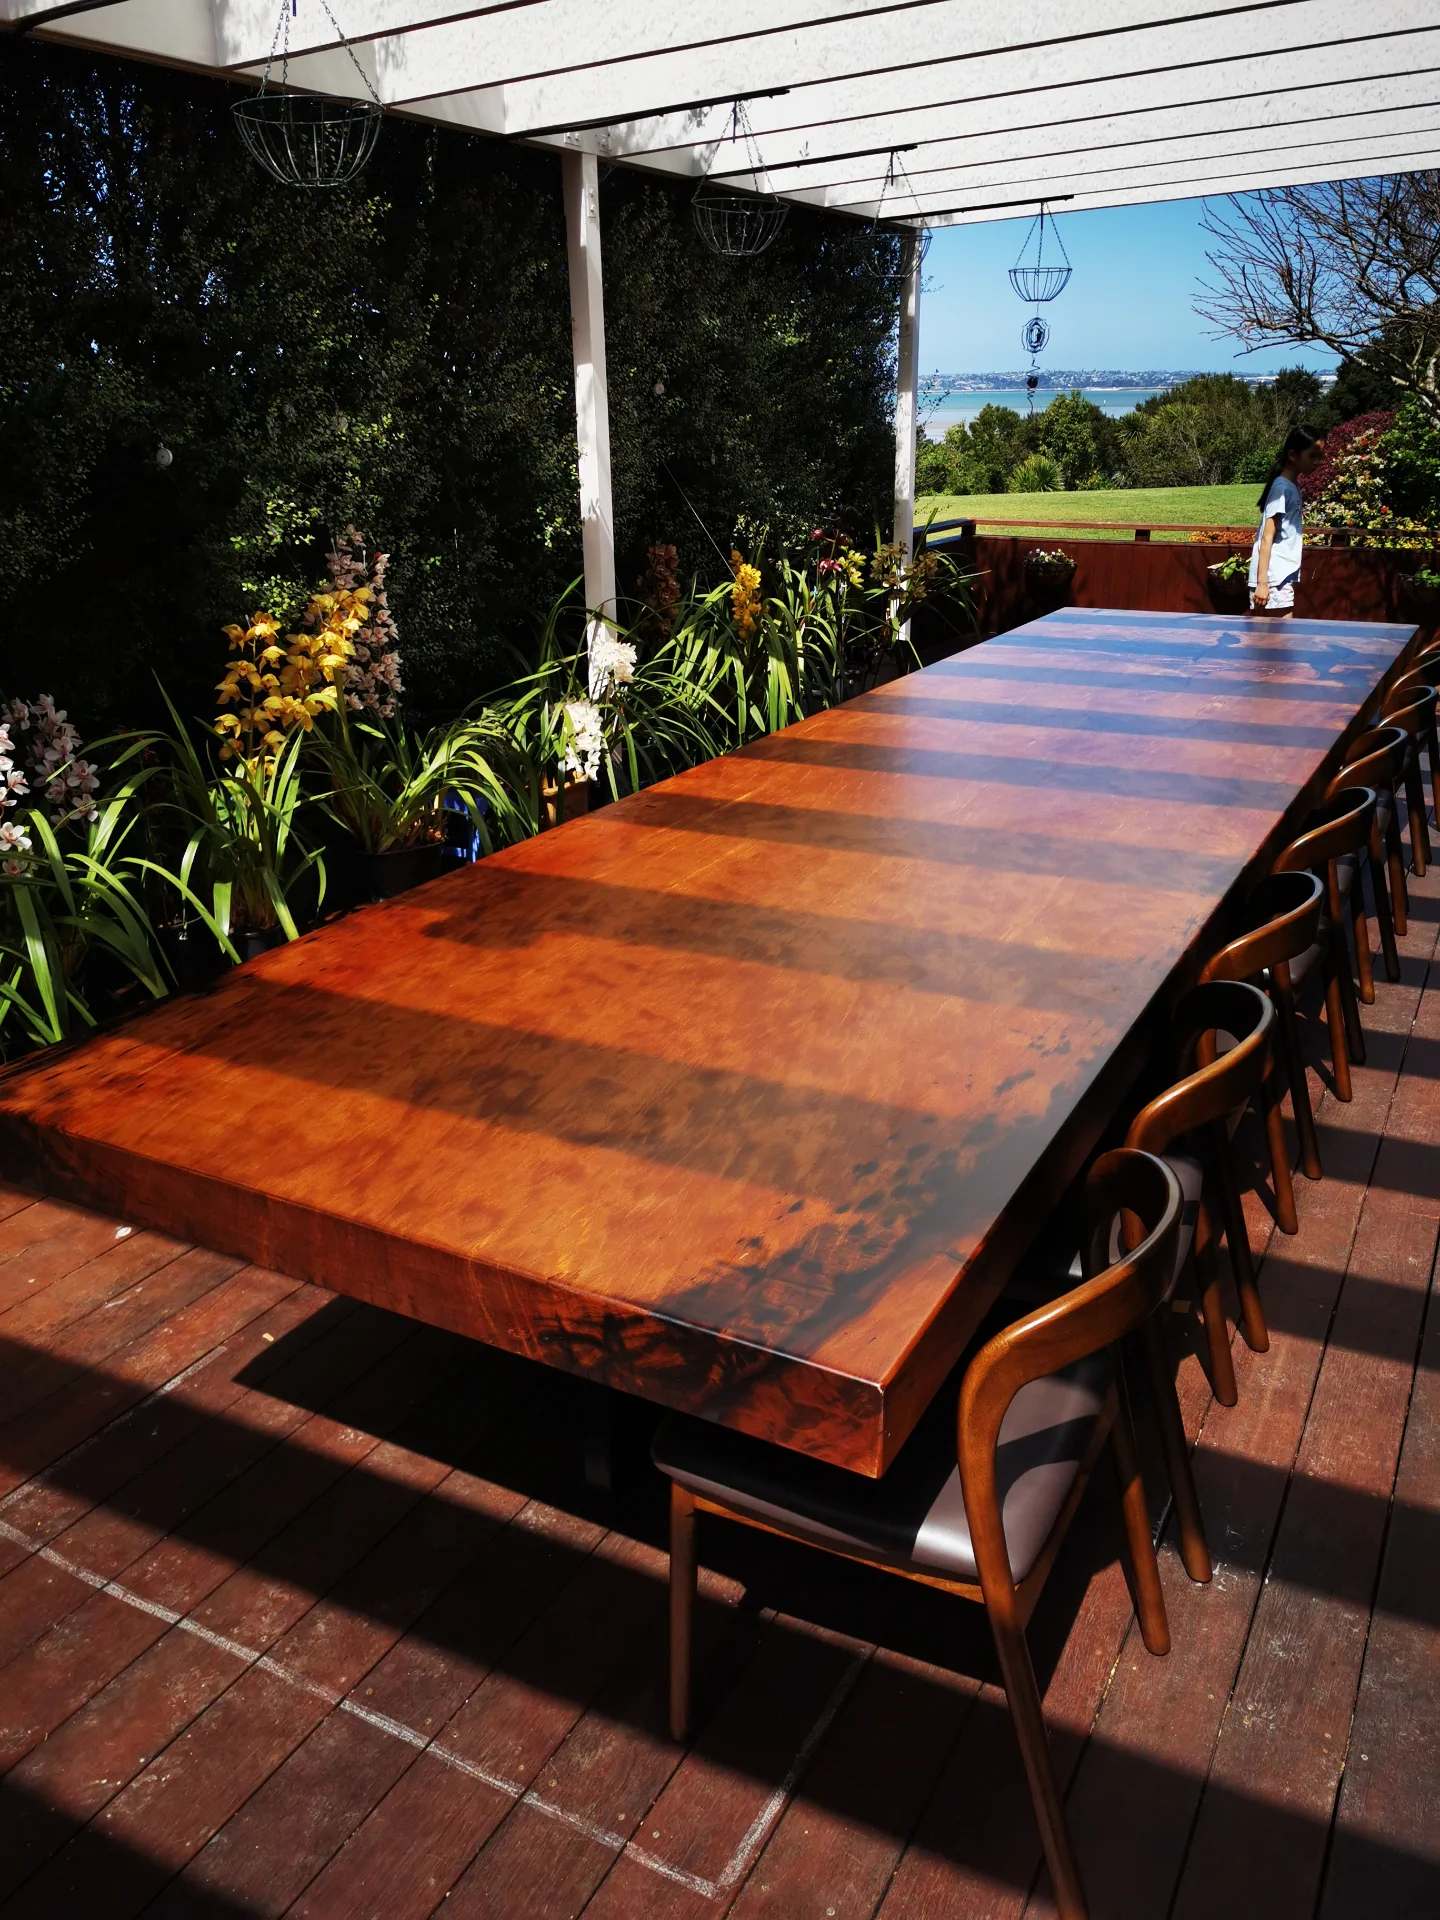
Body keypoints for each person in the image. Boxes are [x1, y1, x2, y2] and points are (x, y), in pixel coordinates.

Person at [1249, 425, 1326, 615]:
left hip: (1280, 577)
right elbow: (1267, 536)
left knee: (1271, 633)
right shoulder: (1282, 488)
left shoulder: (1291, 486)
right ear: (1293, 455)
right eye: (1312, 456)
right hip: (1272, 579)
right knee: (1274, 633)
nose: (1317, 462)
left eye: (1320, 456)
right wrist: (1262, 583)